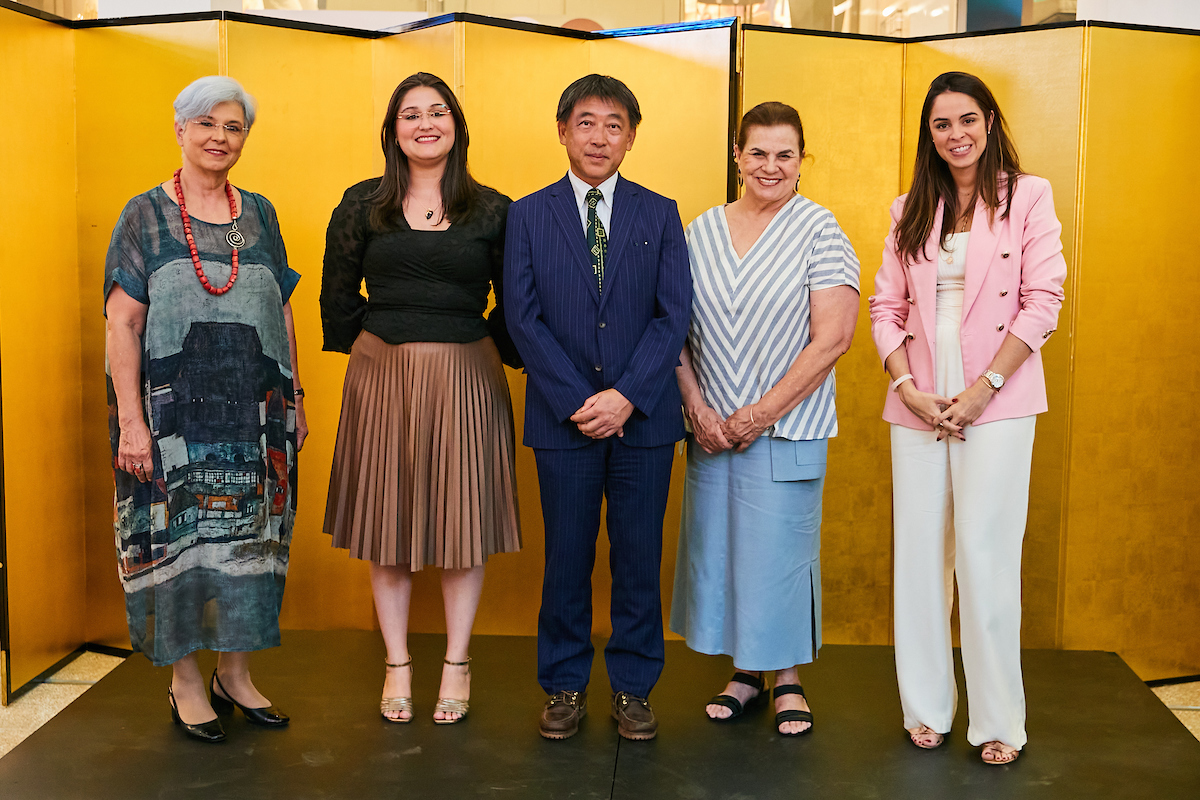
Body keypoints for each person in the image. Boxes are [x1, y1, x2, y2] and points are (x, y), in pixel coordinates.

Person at [869, 71, 1066, 765]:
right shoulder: (908, 209)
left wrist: (983, 387)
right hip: (918, 398)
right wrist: (908, 385)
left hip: (999, 399)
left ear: (989, 121)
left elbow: (1044, 300)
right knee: (920, 557)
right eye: (941, 125)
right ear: (929, 134)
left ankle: (999, 723)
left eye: (966, 120)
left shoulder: (1028, 197)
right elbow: (884, 308)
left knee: (985, 558)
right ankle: (925, 708)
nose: (956, 135)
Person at [104, 76, 303, 744]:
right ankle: (186, 681)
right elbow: (123, 326)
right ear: (181, 129)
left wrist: (294, 397)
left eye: (234, 127)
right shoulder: (144, 216)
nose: (221, 138)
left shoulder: (262, 214)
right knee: (179, 544)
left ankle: (236, 675)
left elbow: (280, 309)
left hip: (256, 420)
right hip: (172, 425)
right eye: (207, 124)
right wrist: (132, 421)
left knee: (252, 546)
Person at [321, 72, 522, 725]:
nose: (425, 123)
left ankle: (458, 664)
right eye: (411, 114)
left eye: (438, 112)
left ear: (457, 125)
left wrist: (475, 349)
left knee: (463, 530)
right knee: (389, 529)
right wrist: (380, 352)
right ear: (393, 130)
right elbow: (337, 296)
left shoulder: (494, 209)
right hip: (381, 378)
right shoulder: (360, 203)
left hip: (469, 376)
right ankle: (398, 665)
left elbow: (517, 305)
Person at [504, 74, 691, 741]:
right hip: (564, 422)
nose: (600, 136)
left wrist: (627, 397)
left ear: (631, 137)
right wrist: (581, 400)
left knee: (638, 558)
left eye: (615, 125)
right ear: (562, 130)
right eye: (587, 122)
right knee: (567, 558)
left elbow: (674, 316)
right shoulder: (527, 214)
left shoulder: (659, 211)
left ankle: (635, 688)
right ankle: (562, 684)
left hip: (642, 421)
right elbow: (522, 318)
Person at [669, 102, 860, 737]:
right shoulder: (699, 230)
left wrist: (758, 414)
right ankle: (746, 671)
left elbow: (832, 338)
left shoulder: (820, 230)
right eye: (758, 153)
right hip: (710, 429)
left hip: (784, 427)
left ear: (802, 160)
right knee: (725, 556)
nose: (770, 166)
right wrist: (697, 407)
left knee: (781, 557)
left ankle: (788, 679)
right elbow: (670, 327)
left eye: (785, 154)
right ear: (738, 156)